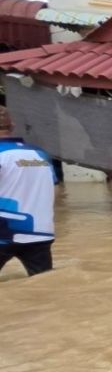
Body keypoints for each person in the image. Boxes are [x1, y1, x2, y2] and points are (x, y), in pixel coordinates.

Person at [0, 105, 59, 276]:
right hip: (40, 233)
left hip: (4, 232)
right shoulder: (39, 154)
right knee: (43, 288)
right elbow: (56, 190)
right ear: (13, 126)